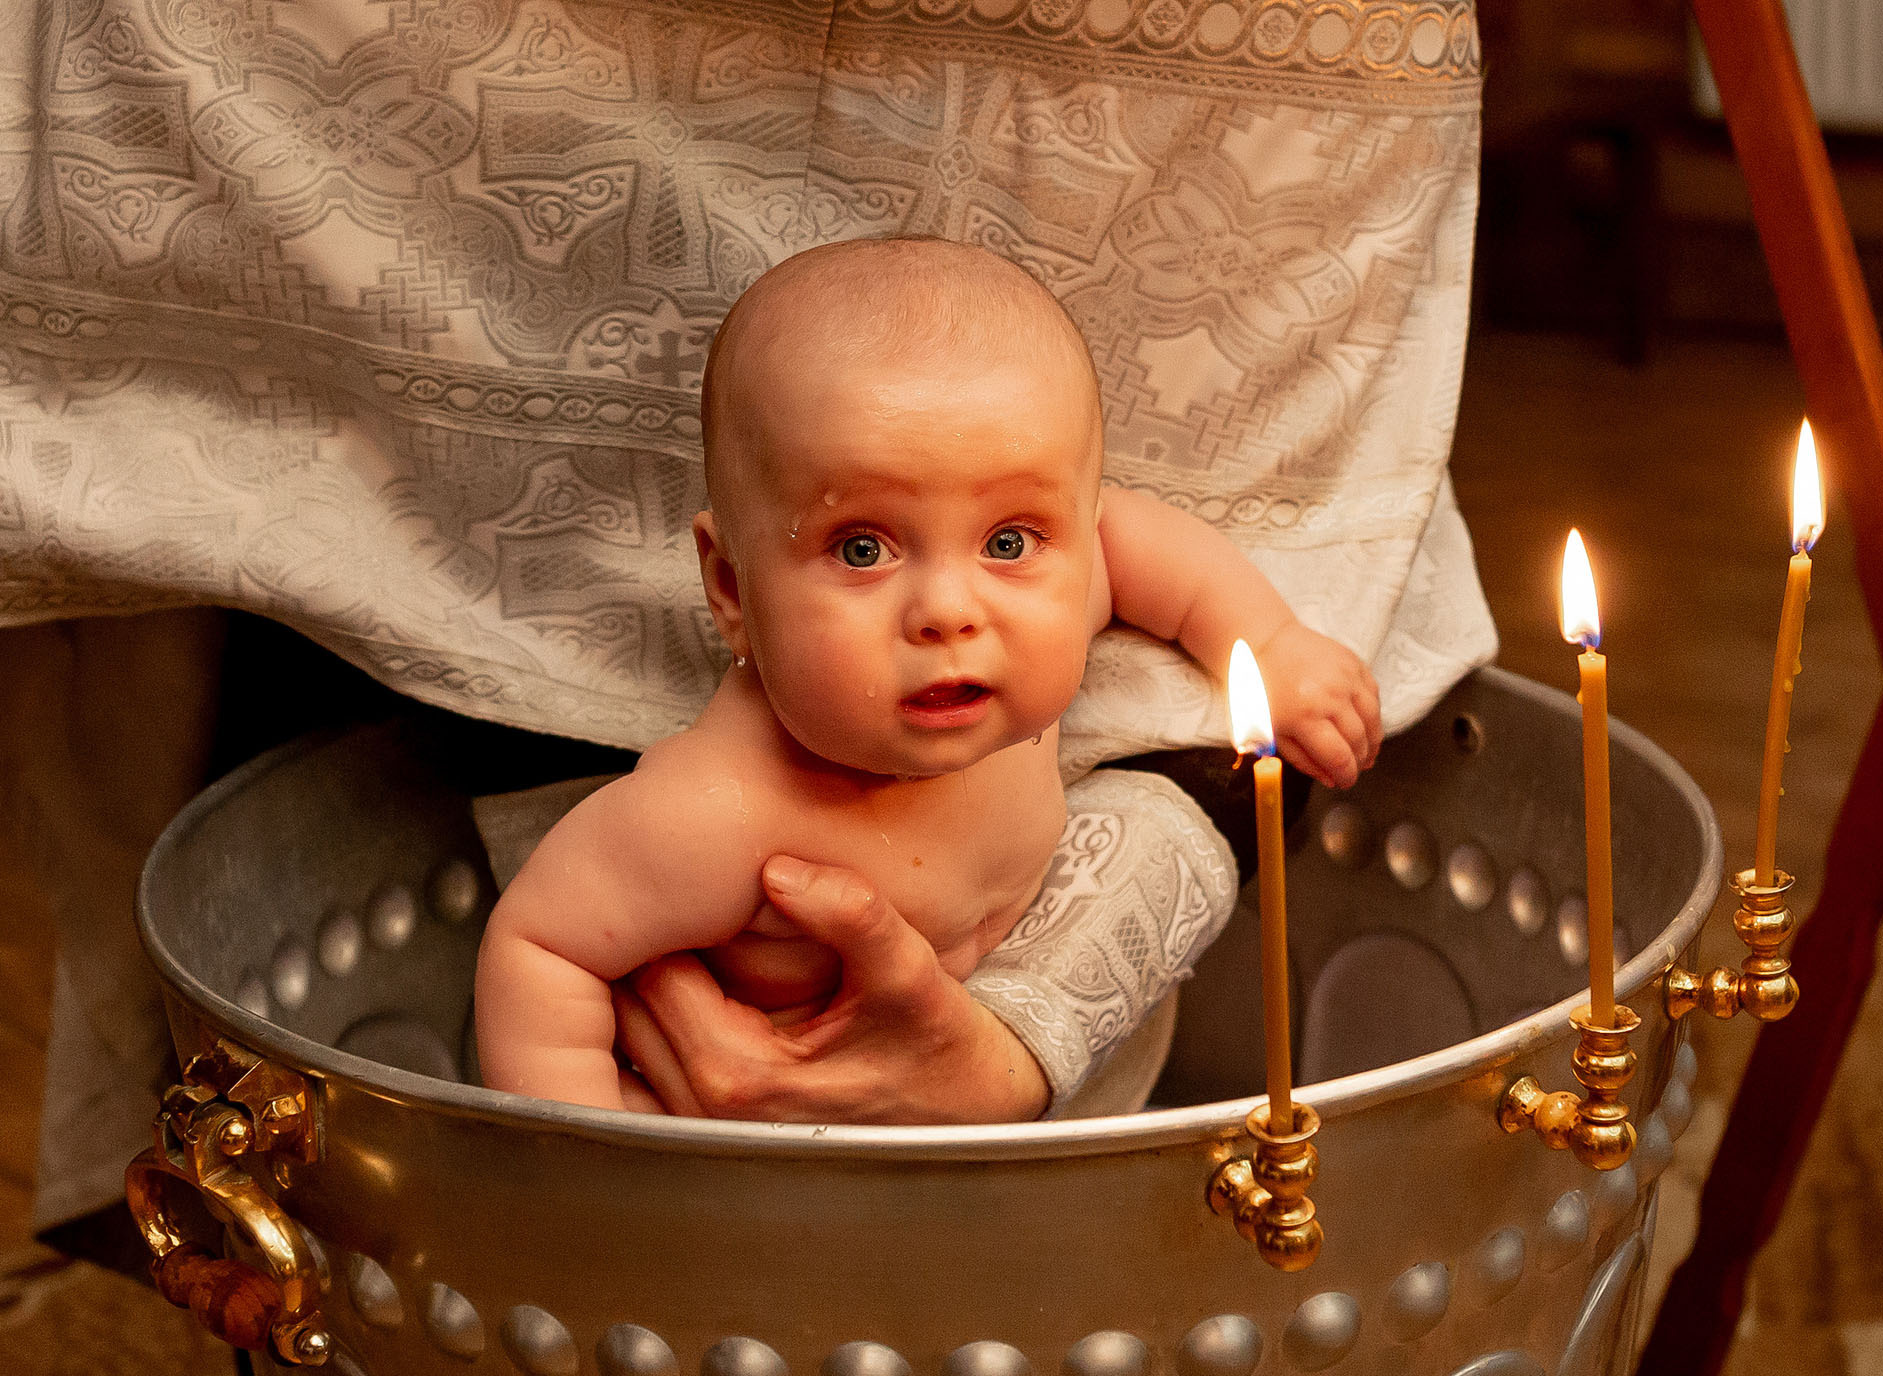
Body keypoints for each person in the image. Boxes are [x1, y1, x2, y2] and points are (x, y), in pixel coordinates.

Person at [475, 237, 1381, 1114]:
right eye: (862, 548)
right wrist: (602, 1163)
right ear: (731, 588)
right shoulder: (717, 814)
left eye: (1008, 540)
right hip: (748, 1129)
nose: (950, 611)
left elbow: (1121, 537)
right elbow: (539, 949)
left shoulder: (1029, 627)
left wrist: (1269, 637)